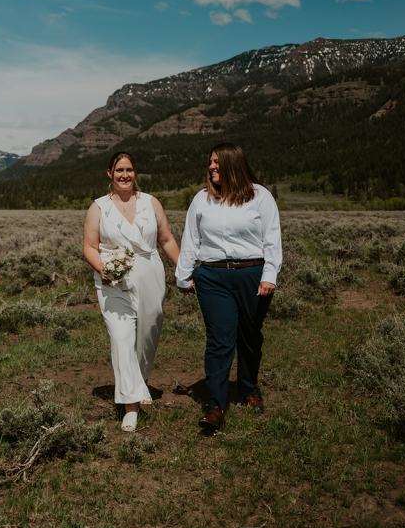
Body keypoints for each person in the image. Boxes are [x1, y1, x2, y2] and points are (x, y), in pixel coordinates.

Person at [175, 142, 282, 431]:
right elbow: (191, 240)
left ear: (233, 164)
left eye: (217, 163)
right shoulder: (201, 200)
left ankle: (248, 388)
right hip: (212, 277)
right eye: (210, 163)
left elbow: (272, 238)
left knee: (249, 336)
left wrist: (269, 275)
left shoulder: (260, 197)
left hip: (252, 274)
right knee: (220, 339)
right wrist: (183, 275)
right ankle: (215, 405)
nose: (211, 167)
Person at [83, 151, 180, 432]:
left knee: (148, 332)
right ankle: (130, 406)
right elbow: (89, 245)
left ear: (135, 173)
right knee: (121, 336)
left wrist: (185, 269)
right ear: (109, 174)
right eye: (119, 170)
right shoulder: (98, 208)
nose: (124, 175)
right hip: (113, 281)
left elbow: (166, 239)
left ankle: (139, 381)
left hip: (150, 275)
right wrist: (102, 268)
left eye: (129, 170)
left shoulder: (151, 203)